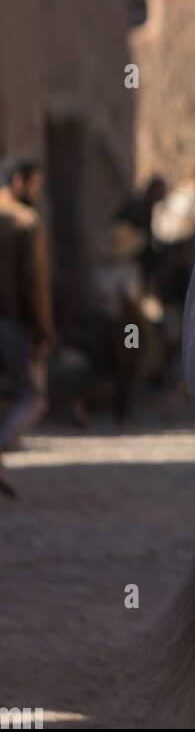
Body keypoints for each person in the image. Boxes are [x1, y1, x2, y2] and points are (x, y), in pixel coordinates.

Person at [0, 156, 53, 496]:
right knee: (33, 398)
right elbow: (34, 283)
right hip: (14, 321)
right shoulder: (24, 221)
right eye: (35, 184)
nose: (37, 191)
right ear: (19, 181)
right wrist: (43, 329)